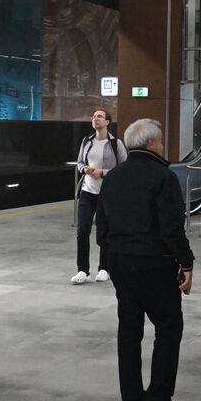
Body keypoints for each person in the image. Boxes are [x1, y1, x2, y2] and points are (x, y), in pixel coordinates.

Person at [96, 119, 194, 401]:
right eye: (161, 141)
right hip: (154, 261)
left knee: (129, 330)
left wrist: (111, 253)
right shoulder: (163, 176)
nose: (162, 146)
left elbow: (102, 224)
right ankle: (159, 399)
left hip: (119, 260)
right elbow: (172, 226)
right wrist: (186, 262)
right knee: (168, 326)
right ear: (153, 143)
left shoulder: (113, 177)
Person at [72, 108, 128, 285]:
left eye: (99, 117)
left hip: (107, 194)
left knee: (104, 232)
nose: (95, 119)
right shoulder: (87, 141)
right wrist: (85, 169)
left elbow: (123, 169)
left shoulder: (115, 144)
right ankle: (82, 270)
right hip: (88, 191)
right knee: (82, 231)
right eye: (94, 117)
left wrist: (101, 172)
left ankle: (104, 268)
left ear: (107, 122)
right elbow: (80, 162)